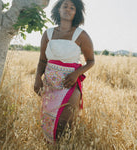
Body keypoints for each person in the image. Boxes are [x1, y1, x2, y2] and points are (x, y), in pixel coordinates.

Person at [34, 0, 95, 143]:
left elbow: (91, 61)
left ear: (76, 12)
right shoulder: (48, 34)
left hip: (69, 84)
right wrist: (37, 78)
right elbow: (42, 60)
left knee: (65, 124)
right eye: (65, 6)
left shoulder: (81, 35)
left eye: (72, 7)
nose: (68, 9)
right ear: (58, 9)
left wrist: (76, 74)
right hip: (49, 84)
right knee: (48, 119)